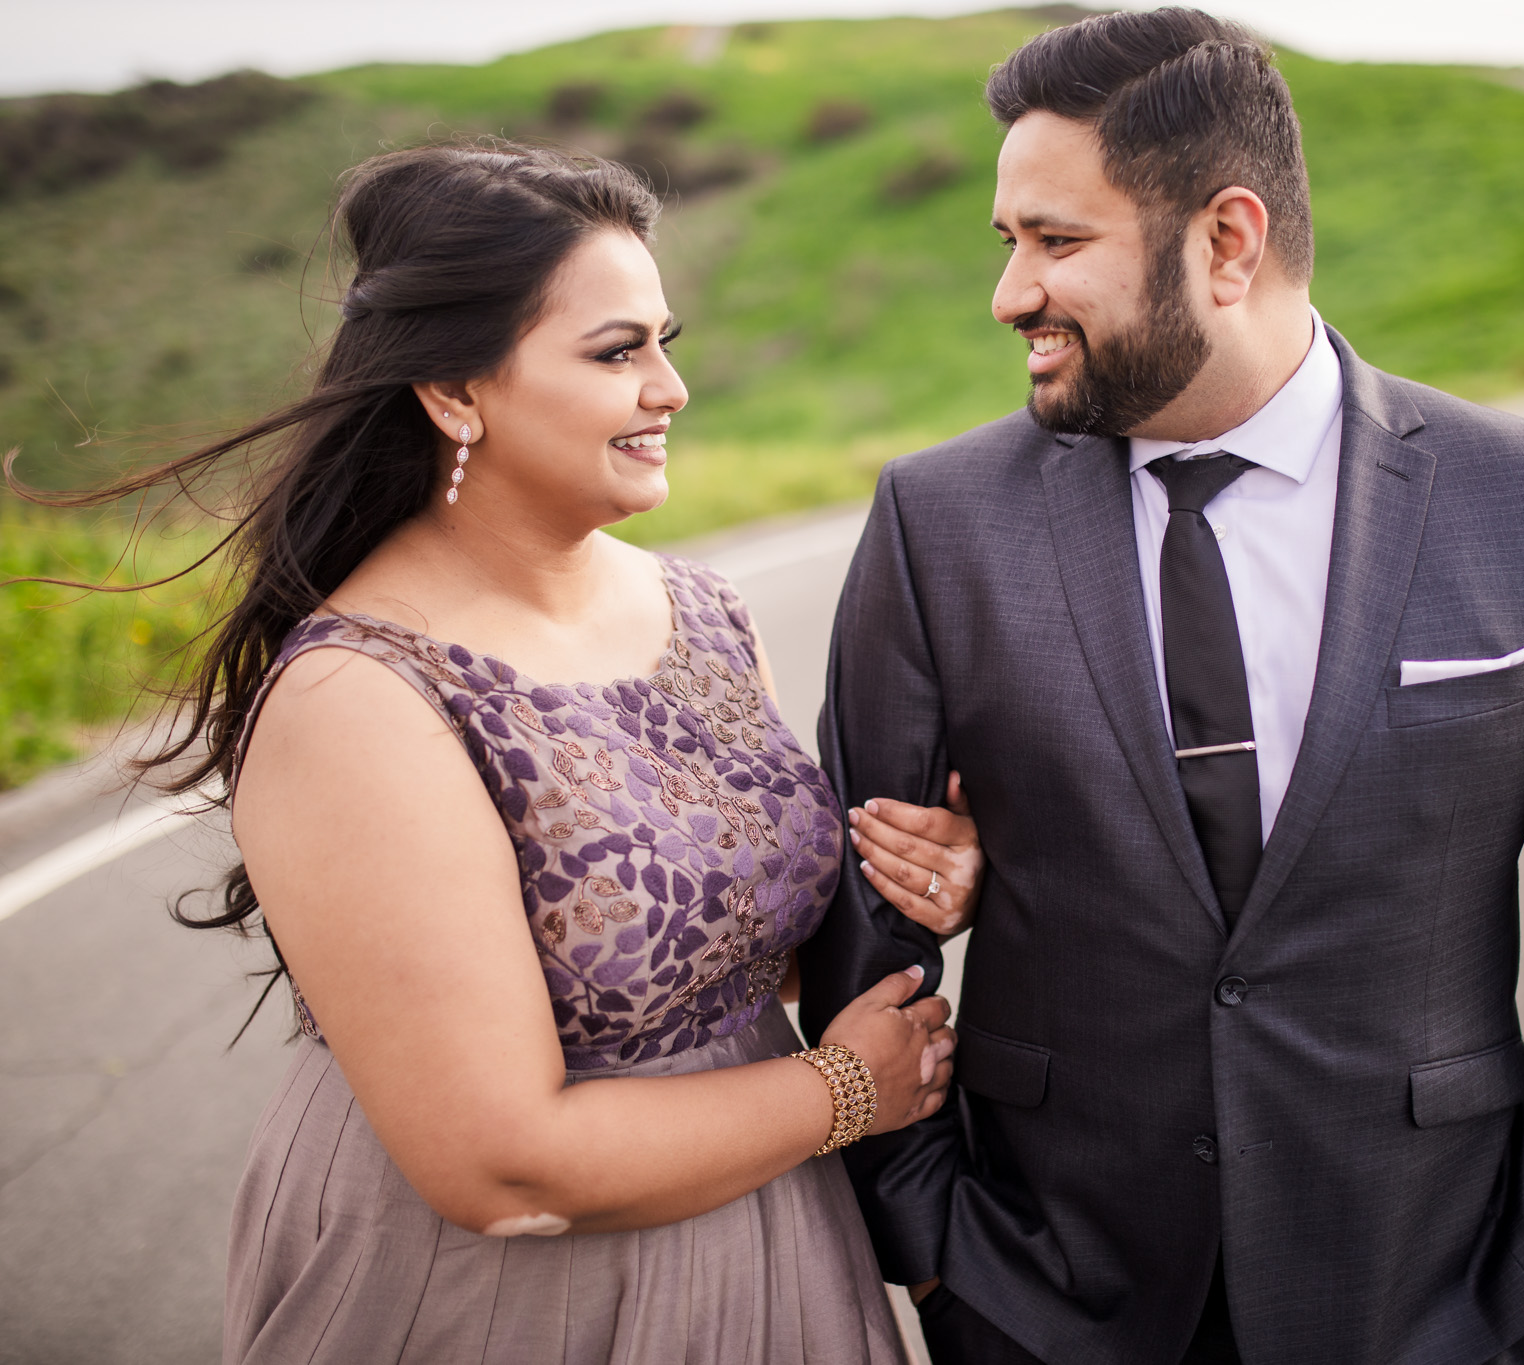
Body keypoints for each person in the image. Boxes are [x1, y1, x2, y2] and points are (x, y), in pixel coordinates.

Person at [800, 10, 1524, 1365]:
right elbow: (864, 932)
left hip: (1436, 1293)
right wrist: (935, 1258)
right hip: (1047, 1298)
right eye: (1009, 245)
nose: (1010, 294)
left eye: (1057, 241)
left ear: (1229, 242)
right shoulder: (941, 522)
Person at [9, 143, 988, 1364]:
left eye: (663, 340)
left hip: (767, 1226)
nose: (671, 387)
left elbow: (710, 956)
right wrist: (843, 1091)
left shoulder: (703, 610)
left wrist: (905, 887)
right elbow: (498, 1163)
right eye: (616, 351)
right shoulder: (359, 693)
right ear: (456, 392)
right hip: (518, 1286)